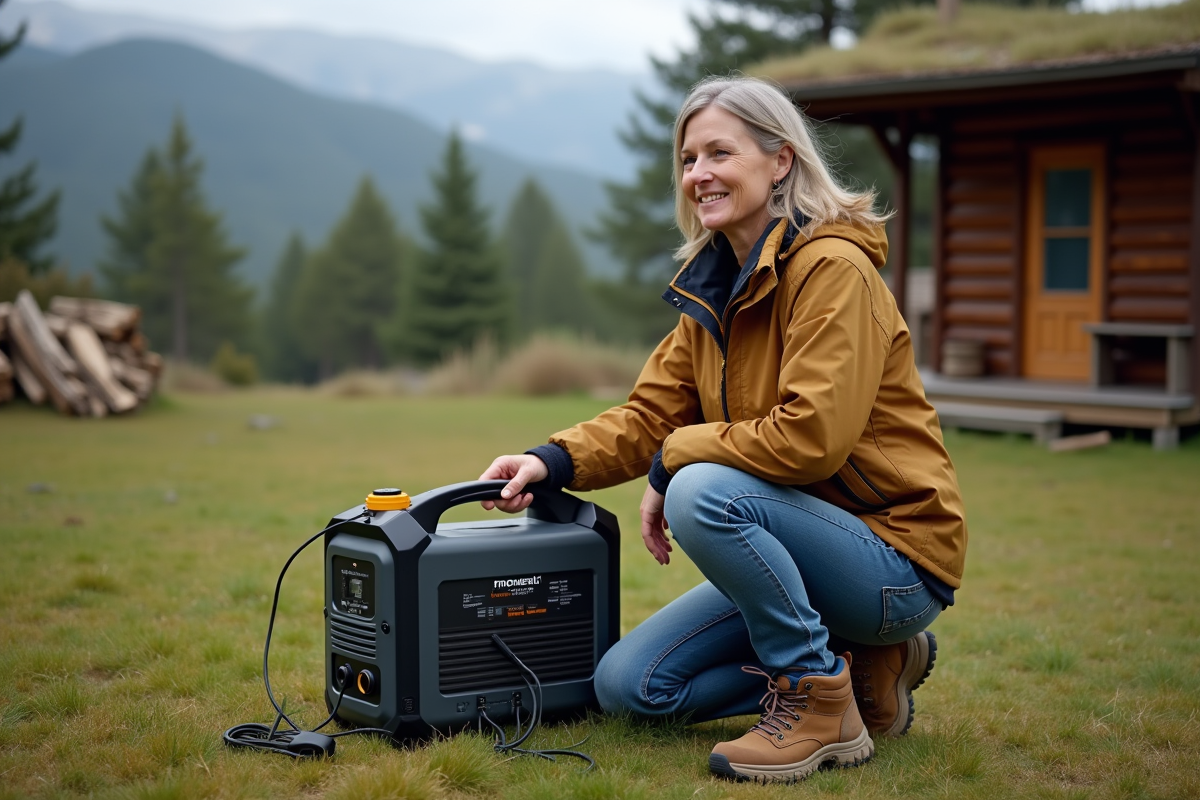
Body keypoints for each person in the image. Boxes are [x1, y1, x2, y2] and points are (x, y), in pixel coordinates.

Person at [479, 75, 967, 783]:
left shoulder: (834, 271)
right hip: (798, 552)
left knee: (702, 491)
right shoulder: (715, 285)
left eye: (719, 153)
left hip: (893, 559)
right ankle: (857, 663)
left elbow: (810, 440)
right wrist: (549, 461)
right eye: (687, 159)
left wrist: (673, 462)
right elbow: (651, 416)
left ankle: (816, 697)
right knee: (630, 687)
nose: (698, 174)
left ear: (780, 162)